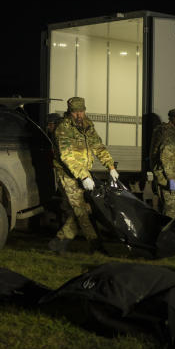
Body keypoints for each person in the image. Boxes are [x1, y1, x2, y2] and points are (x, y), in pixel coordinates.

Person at [48, 97, 119, 255]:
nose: (79, 115)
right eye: (76, 112)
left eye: (81, 111)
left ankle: (58, 242)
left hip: (84, 173)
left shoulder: (87, 125)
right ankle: (96, 246)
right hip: (68, 175)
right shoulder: (63, 129)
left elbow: (98, 146)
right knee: (82, 211)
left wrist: (111, 166)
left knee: (84, 209)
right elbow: (66, 156)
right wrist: (83, 177)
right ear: (70, 112)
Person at [149, 107, 175, 218]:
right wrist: (171, 179)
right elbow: (165, 158)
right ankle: (166, 234)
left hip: (161, 176)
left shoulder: (161, 130)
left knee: (166, 210)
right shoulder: (169, 135)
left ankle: (162, 232)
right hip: (166, 178)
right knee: (172, 211)